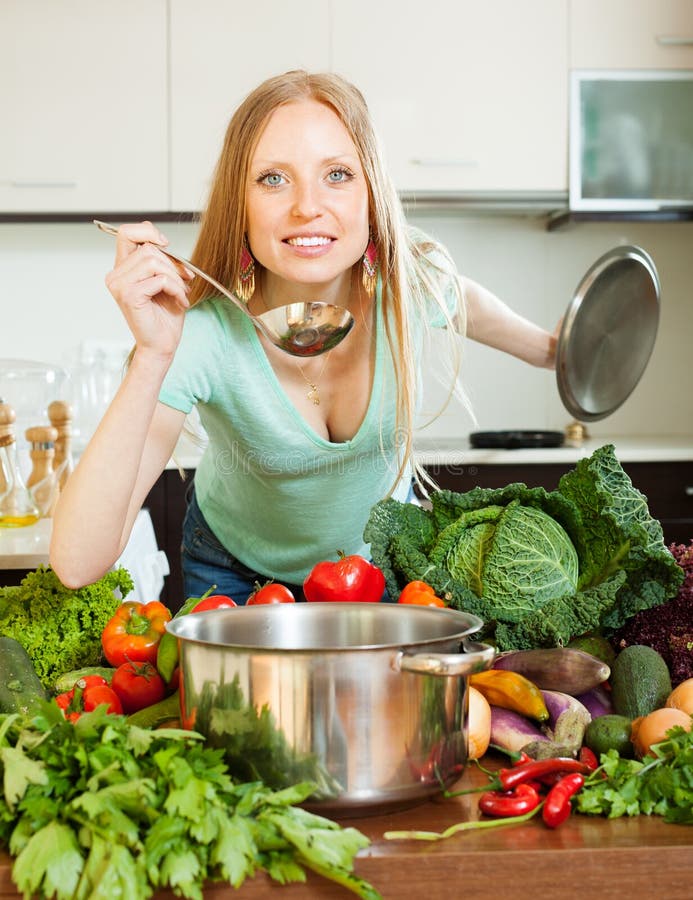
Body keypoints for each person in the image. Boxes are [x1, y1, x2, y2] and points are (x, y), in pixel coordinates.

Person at [50, 70, 557, 605]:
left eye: (337, 174)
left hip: (378, 561)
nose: (307, 207)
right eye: (273, 178)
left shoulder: (408, 283)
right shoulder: (201, 335)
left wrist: (550, 351)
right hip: (237, 573)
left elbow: (463, 299)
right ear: (238, 204)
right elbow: (78, 563)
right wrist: (152, 355)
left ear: (371, 194)